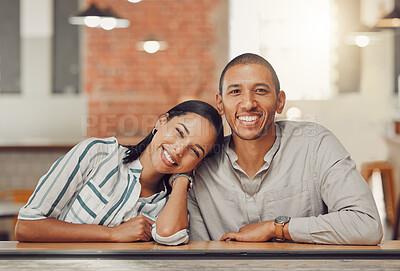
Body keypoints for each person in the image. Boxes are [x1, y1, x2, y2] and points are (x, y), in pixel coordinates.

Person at [187, 53, 383, 245]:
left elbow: (367, 225)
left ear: (280, 101)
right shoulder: (200, 164)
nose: (248, 103)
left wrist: (276, 228)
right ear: (220, 104)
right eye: (235, 92)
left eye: (260, 91)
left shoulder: (315, 144)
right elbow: (196, 254)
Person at [16, 100, 224, 245]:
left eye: (194, 151)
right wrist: (112, 234)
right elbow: (27, 226)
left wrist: (181, 179)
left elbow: (170, 236)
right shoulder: (98, 154)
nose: (179, 150)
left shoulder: (173, 204)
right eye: (179, 132)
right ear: (161, 121)